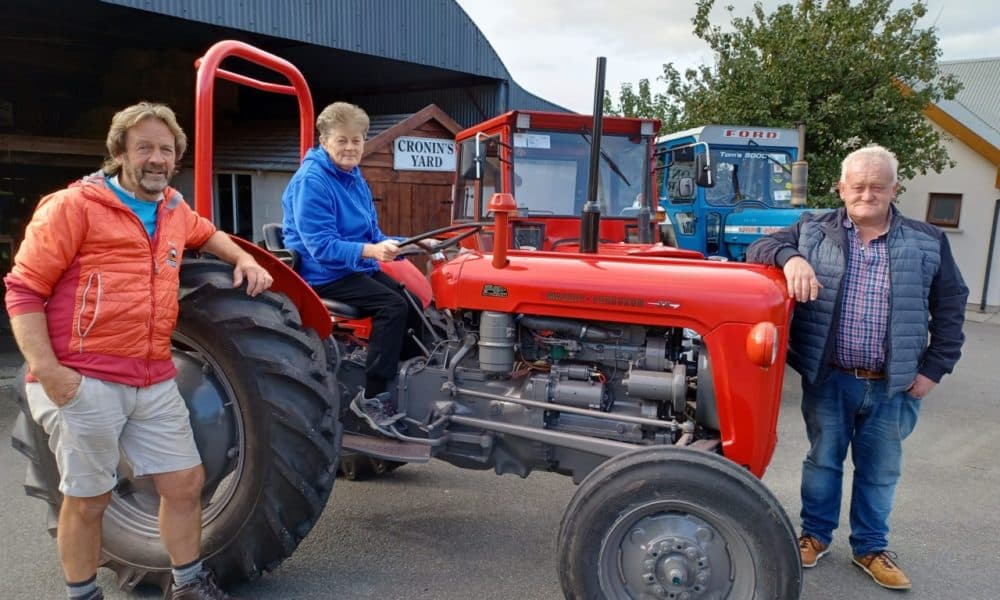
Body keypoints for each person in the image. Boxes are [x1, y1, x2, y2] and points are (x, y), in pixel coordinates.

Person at [4, 102, 273, 600]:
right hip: (85, 378)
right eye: (144, 147)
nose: (156, 158)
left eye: (166, 150)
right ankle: (83, 594)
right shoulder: (73, 207)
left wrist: (242, 259)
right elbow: (23, 290)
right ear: (119, 153)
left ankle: (188, 583)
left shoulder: (173, 209)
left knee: (185, 482)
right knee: (89, 498)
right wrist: (51, 373)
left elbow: (208, 233)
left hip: (151, 377)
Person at [747, 145, 968, 591]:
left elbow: (951, 304)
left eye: (878, 186)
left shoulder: (926, 240)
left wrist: (933, 370)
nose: (867, 193)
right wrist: (790, 258)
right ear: (842, 188)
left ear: (894, 189)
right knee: (823, 462)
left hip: (894, 385)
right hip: (830, 378)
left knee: (880, 470)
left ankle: (870, 548)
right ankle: (813, 537)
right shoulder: (812, 230)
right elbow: (760, 246)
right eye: (859, 185)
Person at [281, 101, 421, 436]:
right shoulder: (313, 181)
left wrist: (414, 244)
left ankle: (409, 384)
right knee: (392, 306)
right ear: (324, 140)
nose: (350, 147)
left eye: (356, 140)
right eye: (342, 140)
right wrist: (373, 251)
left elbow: (372, 234)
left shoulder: (353, 178)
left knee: (414, 303)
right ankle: (372, 397)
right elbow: (322, 247)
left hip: (350, 267)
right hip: (321, 273)